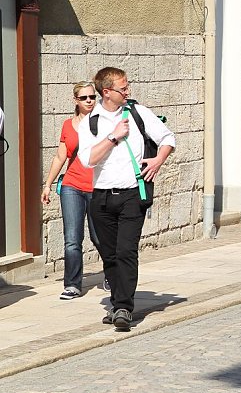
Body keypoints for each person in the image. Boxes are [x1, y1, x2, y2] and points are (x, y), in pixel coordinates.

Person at [78, 67, 176, 330]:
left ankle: (123, 307)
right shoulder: (90, 122)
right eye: (123, 88)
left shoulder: (136, 112)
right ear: (106, 92)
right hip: (101, 197)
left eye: (127, 86)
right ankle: (116, 303)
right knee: (109, 255)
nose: (128, 91)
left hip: (132, 194)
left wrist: (158, 160)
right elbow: (87, 160)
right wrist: (113, 137)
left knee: (125, 251)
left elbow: (168, 137)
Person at [41, 81, 103, 300]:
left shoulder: (103, 122)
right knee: (72, 239)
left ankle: (112, 273)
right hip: (72, 186)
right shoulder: (68, 125)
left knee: (99, 236)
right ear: (75, 100)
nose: (89, 101)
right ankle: (73, 285)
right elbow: (61, 156)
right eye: (84, 97)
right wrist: (48, 185)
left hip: (97, 186)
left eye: (92, 97)